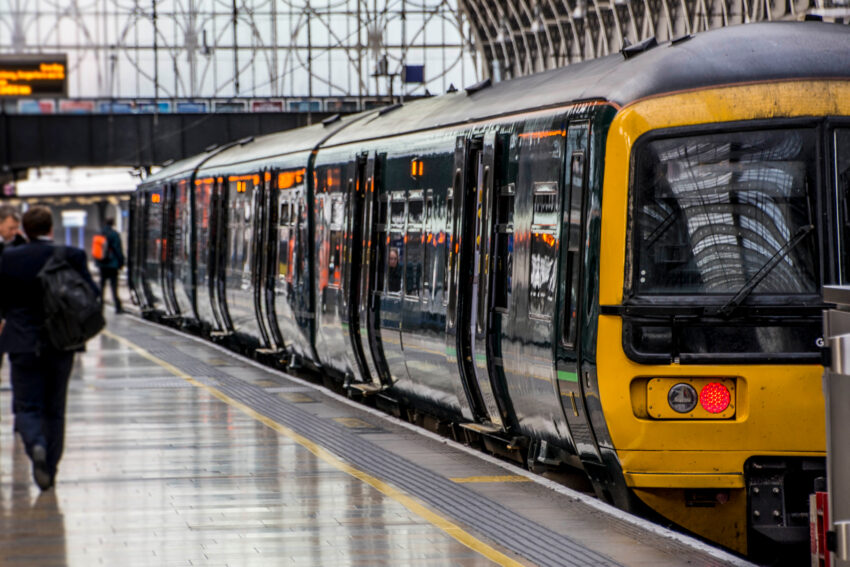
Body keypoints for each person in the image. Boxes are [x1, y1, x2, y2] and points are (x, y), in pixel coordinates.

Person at [0, 205, 99, 491]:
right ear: (50, 229)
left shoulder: (9, 259)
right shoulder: (71, 256)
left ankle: (36, 447)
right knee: (55, 409)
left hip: (22, 343)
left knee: (26, 406)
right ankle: (50, 468)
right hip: (62, 343)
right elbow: (90, 296)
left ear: (24, 231)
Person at [95, 217, 125, 314]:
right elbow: (117, 249)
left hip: (102, 264)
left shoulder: (100, 233)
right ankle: (117, 307)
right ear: (113, 223)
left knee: (102, 286)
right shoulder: (114, 234)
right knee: (114, 286)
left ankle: (100, 307)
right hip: (112, 264)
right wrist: (121, 262)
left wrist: (98, 262)